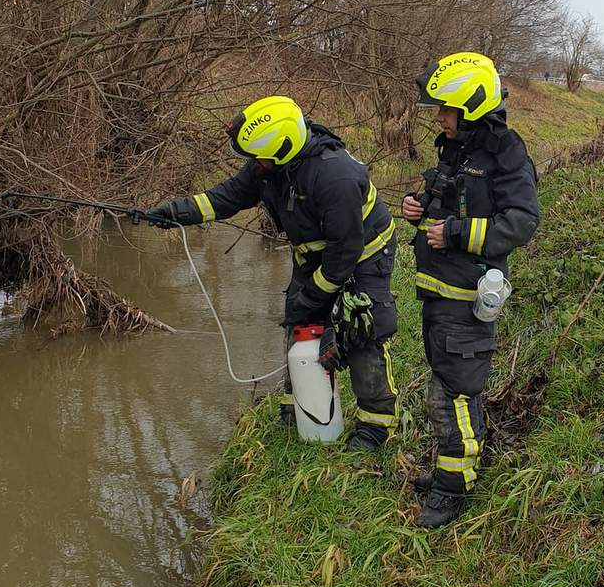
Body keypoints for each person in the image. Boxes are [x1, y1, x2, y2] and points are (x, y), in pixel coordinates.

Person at [141, 96, 399, 451]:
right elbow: (226, 197)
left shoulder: (334, 175)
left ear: (282, 148)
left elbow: (344, 253)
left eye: (258, 157)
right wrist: (174, 213)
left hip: (363, 255)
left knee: (359, 333)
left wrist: (315, 298)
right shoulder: (271, 166)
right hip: (316, 255)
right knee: (298, 323)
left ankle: (375, 426)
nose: (253, 165)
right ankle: (297, 410)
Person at [400, 52, 540, 528]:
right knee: (450, 383)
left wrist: (457, 233)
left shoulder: (506, 152)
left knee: (452, 393)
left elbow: (521, 223)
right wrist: (420, 206)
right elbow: (452, 196)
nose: (438, 117)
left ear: (473, 107)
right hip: (439, 291)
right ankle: (456, 466)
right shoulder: (455, 147)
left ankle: (451, 489)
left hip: (466, 295)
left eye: (446, 109)